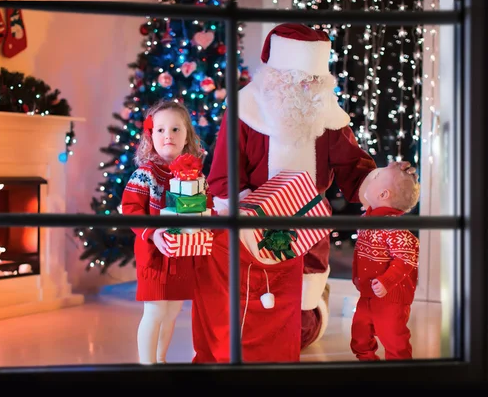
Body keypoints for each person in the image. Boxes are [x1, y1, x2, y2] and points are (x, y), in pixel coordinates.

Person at [190, 23, 394, 363]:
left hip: (309, 228)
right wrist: (246, 216)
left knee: (298, 325)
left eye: (315, 80)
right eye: (301, 78)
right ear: (277, 75)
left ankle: (315, 304)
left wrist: (381, 186)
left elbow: (354, 168)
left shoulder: (328, 115)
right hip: (252, 227)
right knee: (252, 313)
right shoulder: (245, 110)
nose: (309, 87)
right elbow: (224, 176)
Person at [121, 100, 209, 365]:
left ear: (187, 137)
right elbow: (131, 209)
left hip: (182, 256)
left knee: (172, 311)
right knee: (156, 310)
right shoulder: (145, 174)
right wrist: (154, 233)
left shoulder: (194, 177)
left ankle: (160, 361)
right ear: (150, 137)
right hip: (155, 256)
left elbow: (202, 208)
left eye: (175, 129)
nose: (167, 135)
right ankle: (147, 366)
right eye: (160, 130)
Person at [350, 163, 421, 361]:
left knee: (393, 337)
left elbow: (407, 257)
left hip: (390, 297)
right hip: (367, 292)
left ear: (383, 195)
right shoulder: (368, 220)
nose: (369, 179)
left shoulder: (395, 227)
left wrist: (387, 281)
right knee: (360, 334)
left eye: (375, 177)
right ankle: (367, 362)